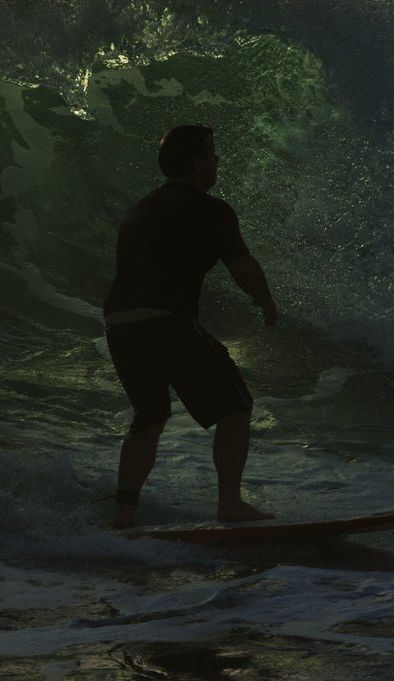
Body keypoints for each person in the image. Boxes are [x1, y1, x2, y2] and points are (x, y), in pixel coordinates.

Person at [102, 124, 279, 528]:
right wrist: (265, 301)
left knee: (149, 414)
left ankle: (123, 513)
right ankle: (230, 505)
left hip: (119, 322)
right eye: (213, 155)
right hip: (165, 319)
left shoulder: (138, 209)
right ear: (197, 164)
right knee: (236, 405)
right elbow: (243, 268)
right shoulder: (211, 210)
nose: (218, 161)